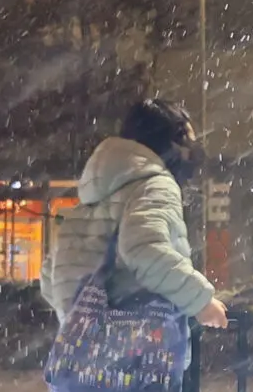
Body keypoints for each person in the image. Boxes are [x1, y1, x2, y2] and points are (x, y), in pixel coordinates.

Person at [43, 98, 227, 341]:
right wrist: (200, 301)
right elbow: (145, 250)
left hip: (84, 353)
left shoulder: (95, 191)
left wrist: (83, 313)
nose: (191, 151)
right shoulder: (154, 184)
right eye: (188, 141)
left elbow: (50, 273)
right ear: (172, 143)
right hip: (138, 351)